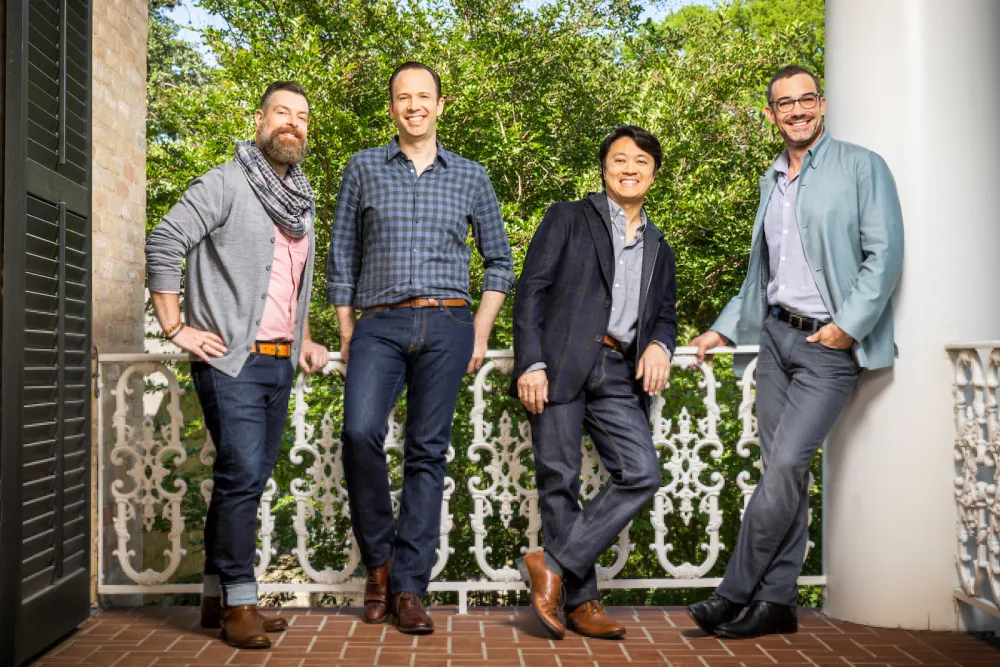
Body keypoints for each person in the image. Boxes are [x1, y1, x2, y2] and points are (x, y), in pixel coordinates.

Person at [687, 65, 904, 639]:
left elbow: (884, 255)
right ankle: (778, 602)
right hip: (775, 339)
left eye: (807, 99)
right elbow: (760, 275)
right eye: (785, 103)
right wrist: (723, 330)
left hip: (827, 347)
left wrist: (846, 328)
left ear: (822, 104)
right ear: (771, 114)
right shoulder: (772, 179)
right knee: (783, 474)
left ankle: (733, 593)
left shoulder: (862, 166)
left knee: (784, 466)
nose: (798, 110)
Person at [326, 62, 515, 634]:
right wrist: (346, 328)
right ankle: (379, 564)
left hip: (447, 324)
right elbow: (341, 256)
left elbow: (500, 261)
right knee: (359, 433)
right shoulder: (362, 168)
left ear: (440, 105)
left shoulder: (471, 176)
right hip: (379, 325)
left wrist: (480, 330)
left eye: (424, 96)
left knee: (427, 451)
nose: (414, 106)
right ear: (391, 109)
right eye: (403, 98)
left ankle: (409, 587)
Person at [146, 82, 329, 649]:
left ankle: (215, 597)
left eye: (302, 116)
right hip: (232, 363)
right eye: (282, 112)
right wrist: (174, 327)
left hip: (279, 363)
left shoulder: (302, 201)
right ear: (259, 119)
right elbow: (164, 241)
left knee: (241, 480)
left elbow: (288, 286)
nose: (292, 123)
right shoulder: (225, 183)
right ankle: (241, 605)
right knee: (243, 478)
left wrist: (303, 338)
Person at [511, 126, 677, 640]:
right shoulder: (567, 217)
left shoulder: (660, 247)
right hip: (559, 364)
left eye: (641, 161)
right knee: (559, 481)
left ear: (653, 174)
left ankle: (552, 563)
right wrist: (530, 362)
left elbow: (665, 315)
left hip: (618, 371)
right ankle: (581, 604)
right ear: (604, 168)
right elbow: (531, 291)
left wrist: (660, 344)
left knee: (642, 473)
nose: (630, 168)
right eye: (620, 159)